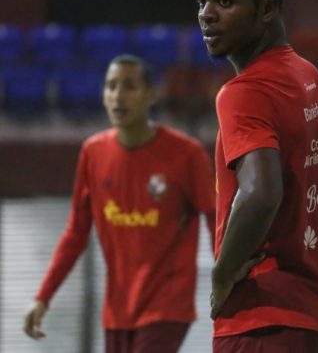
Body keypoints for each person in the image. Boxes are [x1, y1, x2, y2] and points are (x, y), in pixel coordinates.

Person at [195, 0, 318, 352]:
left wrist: (222, 275)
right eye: (202, 1)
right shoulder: (308, 76)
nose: (207, 14)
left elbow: (261, 193)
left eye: (224, 1)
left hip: (263, 319)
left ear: (267, 9)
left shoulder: (244, 91)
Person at [23, 54, 216, 353]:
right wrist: (43, 296)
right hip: (118, 310)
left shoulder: (186, 155)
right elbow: (75, 233)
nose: (118, 95)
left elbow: (216, 218)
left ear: (151, 95)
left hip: (167, 306)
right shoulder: (93, 153)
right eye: (111, 86)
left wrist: (230, 282)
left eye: (129, 86)